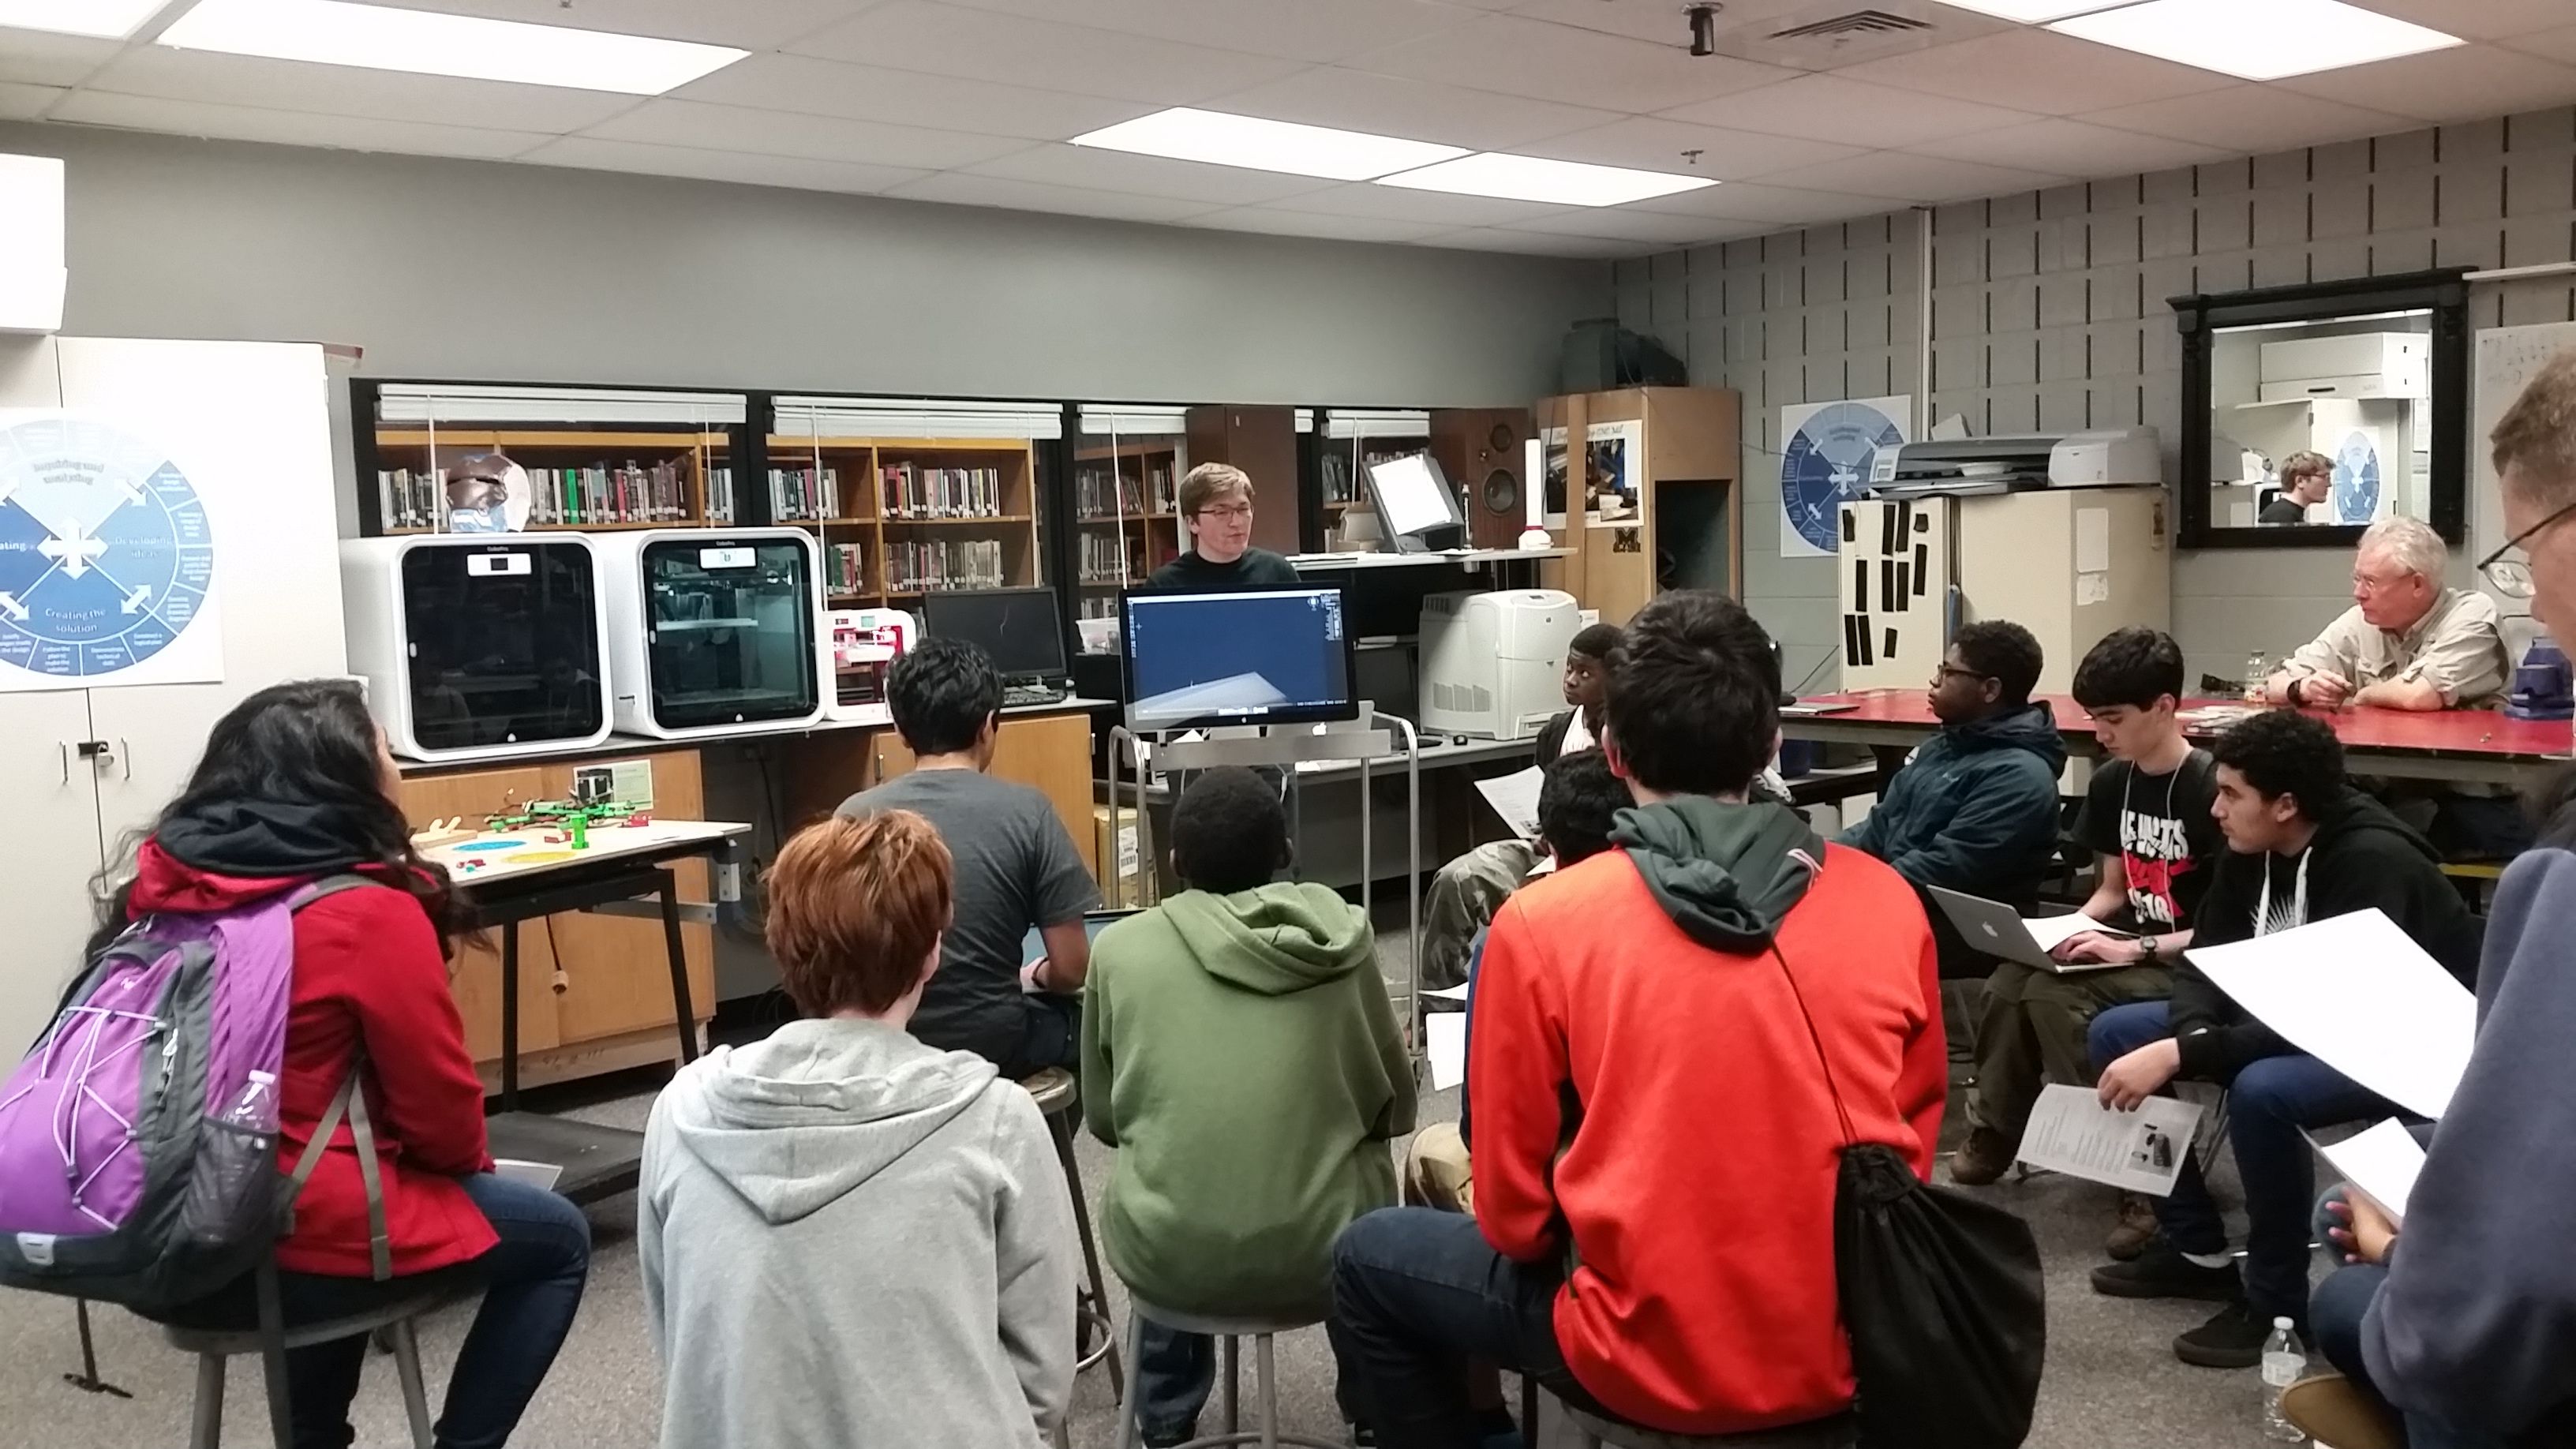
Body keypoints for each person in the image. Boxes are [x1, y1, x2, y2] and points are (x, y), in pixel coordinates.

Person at [1330, 590, 1946, 1445]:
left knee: (1366, 1258)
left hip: (1634, 1352)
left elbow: (1515, 1217)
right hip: (1851, 1339)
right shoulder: (1886, 902)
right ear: (1772, 744)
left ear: (1611, 750)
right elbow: (1910, 1144)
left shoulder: (1542, 922)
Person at [135, 680, 588, 1449]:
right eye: (384, 748)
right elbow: (442, 1118)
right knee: (559, 1242)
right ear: (346, 784)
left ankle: (312, 1437)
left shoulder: (165, 892)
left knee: (324, 1188)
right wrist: (460, 1170)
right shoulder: (365, 912)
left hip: (169, 1239)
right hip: (302, 1245)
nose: (398, 762)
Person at [2286, 350, 2576, 1449]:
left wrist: (2413, 1272)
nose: (2533, 597)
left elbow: (2498, 1305)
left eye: (2528, 551)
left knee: (2355, 1296)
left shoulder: (2562, 881)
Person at [641, 811, 1078, 1449]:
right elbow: (1044, 1379)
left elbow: (679, 1335)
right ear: (932, 951)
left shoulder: (679, 1115)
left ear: (781, 945)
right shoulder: (998, 1121)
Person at [2086, 709, 2480, 1370]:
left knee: (2263, 1091)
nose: (2215, 808)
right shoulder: (2251, 848)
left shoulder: (2372, 863)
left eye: (2232, 794)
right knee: (2117, 1032)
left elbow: (2339, 1011)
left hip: (2404, 1041)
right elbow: (2205, 960)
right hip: (2299, 1019)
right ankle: (2194, 1249)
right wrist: (2192, 1034)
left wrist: (2190, 1051)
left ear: (2287, 805)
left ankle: (2276, 1308)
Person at [1080, 767, 1413, 1447]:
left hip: (1172, 1255)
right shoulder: (1346, 944)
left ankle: (1167, 1419)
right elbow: (1399, 1110)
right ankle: (1377, 1411)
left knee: (1167, 1180)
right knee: (1361, 1191)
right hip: (1322, 1252)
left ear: (1173, 861)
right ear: (1285, 849)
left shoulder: (1116, 953)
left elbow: (1106, 1122)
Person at [1952, 627, 2222, 1200]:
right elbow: (2112, 892)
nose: (2100, 733)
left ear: (2164, 707)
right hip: (2130, 946)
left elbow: (2226, 930)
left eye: (2114, 719)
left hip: (2193, 961)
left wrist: (2131, 949)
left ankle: (2142, 1173)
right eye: (2094, 717)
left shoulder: (2209, 789)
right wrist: (2063, 931)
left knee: (2054, 998)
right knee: (2007, 984)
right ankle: (1998, 1130)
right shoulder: (2112, 783)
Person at [837, 636, 1099, 1079]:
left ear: (900, 731)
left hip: (882, 1045)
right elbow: (1073, 969)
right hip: (994, 1042)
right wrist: (1036, 976)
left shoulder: (852, 817)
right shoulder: (1028, 812)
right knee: (1083, 1028)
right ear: (988, 725)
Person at [1405, 746, 1628, 1217]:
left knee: (1426, 1152)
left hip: (1567, 1215)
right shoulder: (1680, 919)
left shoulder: (1518, 936)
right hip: (1660, 1188)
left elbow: (1483, 1135)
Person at [1839, 619, 2069, 976]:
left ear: (1990, 689)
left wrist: (1858, 891)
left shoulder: (2020, 776)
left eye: (1947, 672)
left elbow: (1946, 868)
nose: (1934, 682)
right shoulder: (1941, 748)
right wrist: (1819, 859)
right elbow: (1879, 826)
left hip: (1965, 928)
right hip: (1904, 900)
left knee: (1820, 940)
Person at [1417, 623, 1621, 990]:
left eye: (1586, 673)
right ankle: (1441, 1005)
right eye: (1569, 669)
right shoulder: (1556, 732)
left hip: (1608, 858)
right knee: (1456, 879)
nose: (1571, 680)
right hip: (1546, 849)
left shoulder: (1633, 735)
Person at [2263, 515, 2508, 713]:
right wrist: (2301, 688)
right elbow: (2273, 684)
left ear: (2417, 585)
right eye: (2357, 579)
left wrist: (2362, 695)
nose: (2358, 593)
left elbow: (2418, 696)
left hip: (2459, 768)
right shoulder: (2360, 620)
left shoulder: (2473, 615)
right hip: (2378, 764)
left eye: (2370, 582)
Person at [1144, 462, 1300, 590]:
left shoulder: (1278, 574)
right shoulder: (1164, 585)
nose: (1237, 522)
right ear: (1192, 523)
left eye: (1243, 509)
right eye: (1221, 512)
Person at [2261, 450, 2332, 525]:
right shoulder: (2283, 515)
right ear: (2300, 481)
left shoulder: (2286, 513)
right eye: (2324, 477)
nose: (2329, 484)